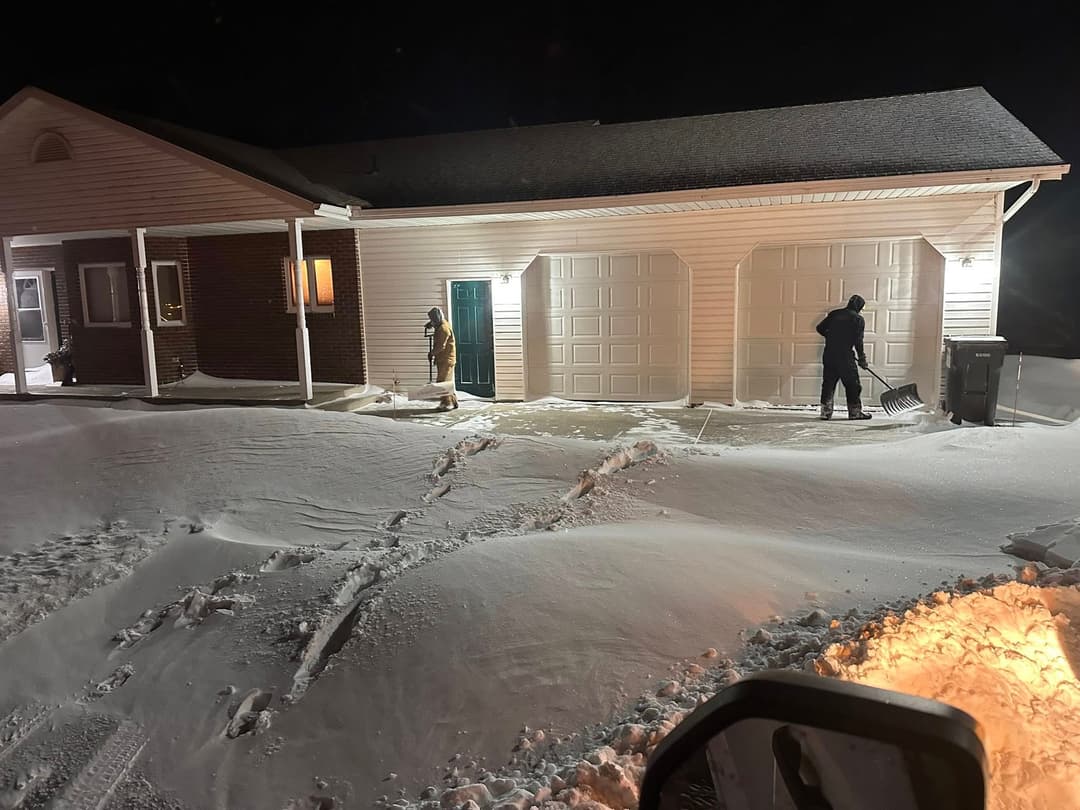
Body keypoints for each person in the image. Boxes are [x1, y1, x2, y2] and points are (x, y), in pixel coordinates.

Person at [816, 295, 871, 420]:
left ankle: (825, 412)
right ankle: (855, 412)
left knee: (828, 384)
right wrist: (862, 358)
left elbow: (819, 328)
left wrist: (831, 337)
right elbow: (858, 341)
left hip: (829, 355)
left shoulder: (835, 314)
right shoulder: (858, 319)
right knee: (852, 385)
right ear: (859, 307)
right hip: (845, 357)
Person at [427, 307, 458, 411]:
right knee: (446, 381)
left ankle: (447, 403)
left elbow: (441, 346)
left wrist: (432, 353)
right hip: (443, 359)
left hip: (446, 359)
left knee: (442, 382)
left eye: (433, 319)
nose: (433, 321)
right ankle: (453, 401)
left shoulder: (443, 329)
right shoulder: (442, 323)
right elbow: (437, 323)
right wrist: (430, 324)